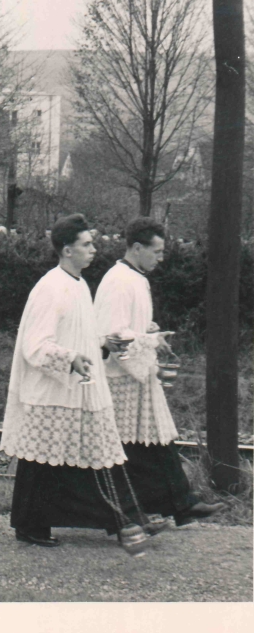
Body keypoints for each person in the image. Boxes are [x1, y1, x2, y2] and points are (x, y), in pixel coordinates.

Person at [1, 214, 146, 550]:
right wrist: (69, 359)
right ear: (67, 250)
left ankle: (119, 520)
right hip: (51, 388)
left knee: (66, 460)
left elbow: (79, 334)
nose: (94, 249)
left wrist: (102, 344)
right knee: (40, 462)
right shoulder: (50, 288)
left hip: (75, 386)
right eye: (87, 244)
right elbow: (34, 345)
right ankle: (30, 525)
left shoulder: (78, 284)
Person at [94, 218, 226, 528]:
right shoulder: (119, 281)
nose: (161, 258)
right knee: (137, 448)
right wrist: (149, 339)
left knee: (153, 444)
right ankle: (157, 509)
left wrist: (150, 332)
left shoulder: (134, 277)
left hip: (137, 376)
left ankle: (177, 505)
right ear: (137, 248)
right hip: (122, 379)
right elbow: (113, 335)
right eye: (157, 251)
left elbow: (128, 325)